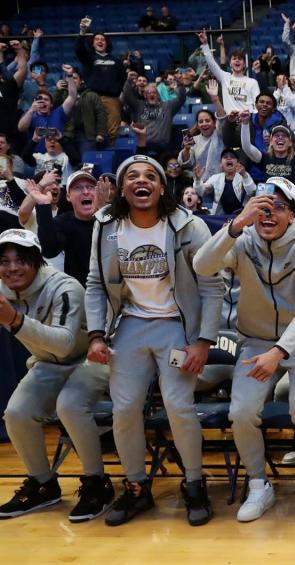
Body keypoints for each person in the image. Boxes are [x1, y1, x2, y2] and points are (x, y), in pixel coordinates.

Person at [85, 155, 222, 527]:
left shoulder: (190, 226)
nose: (141, 181)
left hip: (177, 328)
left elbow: (212, 287)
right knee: (124, 408)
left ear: (162, 187)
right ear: (121, 188)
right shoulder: (106, 225)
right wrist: (96, 334)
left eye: (150, 176)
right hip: (130, 325)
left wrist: (203, 342)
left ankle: (194, 482)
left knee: (179, 405)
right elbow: (96, 283)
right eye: (132, 176)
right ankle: (135, 487)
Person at [193, 176, 295, 524]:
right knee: (241, 412)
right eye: (262, 207)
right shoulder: (242, 239)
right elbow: (202, 265)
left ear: (292, 215)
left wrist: (279, 351)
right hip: (255, 340)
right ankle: (258, 484)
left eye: (278, 208)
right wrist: (235, 225)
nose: (269, 215)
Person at [0, 229, 113, 522]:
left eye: (20, 260)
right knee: (16, 414)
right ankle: (42, 484)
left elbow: (64, 343)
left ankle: (96, 483)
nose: (12, 268)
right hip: (46, 362)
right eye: (4, 261)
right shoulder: (2, 290)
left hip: (91, 357)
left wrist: (14, 320)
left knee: (71, 406)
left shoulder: (64, 287)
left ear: (36, 261)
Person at [29, 170, 100, 286]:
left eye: (90, 187)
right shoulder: (63, 222)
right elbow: (49, 251)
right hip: (78, 290)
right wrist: (43, 206)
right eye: (78, 188)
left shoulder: (110, 219)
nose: (86, 192)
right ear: (68, 196)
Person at [239, 119, 295, 213]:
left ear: (290, 143)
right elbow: (247, 147)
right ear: (270, 142)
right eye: (276, 136)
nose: (280, 138)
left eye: (284, 136)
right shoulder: (264, 158)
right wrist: (245, 124)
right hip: (271, 211)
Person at [76, 18, 127, 140]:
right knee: (94, 131)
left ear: (107, 43)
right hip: (93, 97)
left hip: (111, 99)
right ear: (92, 43)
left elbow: (122, 78)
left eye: (102, 39)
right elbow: (79, 50)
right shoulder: (89, 58)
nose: (100, 41)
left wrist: (116, 91)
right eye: (97, 39)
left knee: (114, 131)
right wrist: (82, 31)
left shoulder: (117, 61)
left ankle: (111, 153)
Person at [121, 74, 187, 155]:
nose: (151, 94)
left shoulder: (168, 106)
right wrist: (129, 81)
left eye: (154, 93)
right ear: (145, 95)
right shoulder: (138, 106)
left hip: (163, 148)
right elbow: (127, 96)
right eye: (148, 93)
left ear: (158, 95)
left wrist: (180, 85)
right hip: (143, 146)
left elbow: (181, 99)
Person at [197, 30, 259, 116]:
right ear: (230, 64)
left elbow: (257, 105)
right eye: (234, 59)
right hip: (229, 121)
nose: (237, 60)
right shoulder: (225, 77)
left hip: (247, 120)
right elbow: (212, 64)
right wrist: (205, 44)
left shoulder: (252, 82)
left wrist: (250, 117)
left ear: (244, 64)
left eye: (240, 59)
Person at [18, 86, 77, 155]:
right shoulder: (29, 115)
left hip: (57, 157)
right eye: (39, 100)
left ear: (51, 104)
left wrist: (69, 76)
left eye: (46, 99)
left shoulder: (59, 113)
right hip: (37, 158)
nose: (42, 101)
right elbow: (21, 128)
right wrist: (31, 110)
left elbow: (72, 96)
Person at [194, 148, 254, 215]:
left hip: (242, 215)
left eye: (232, 157)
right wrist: (198, 180)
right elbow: (199, 192)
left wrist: (244, 174)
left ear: (237, 163)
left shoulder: (244, 175)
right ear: (221, 164)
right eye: (225, 157)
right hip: (221, 217)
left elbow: (252, 192)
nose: (229, 158)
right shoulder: (215, 178)